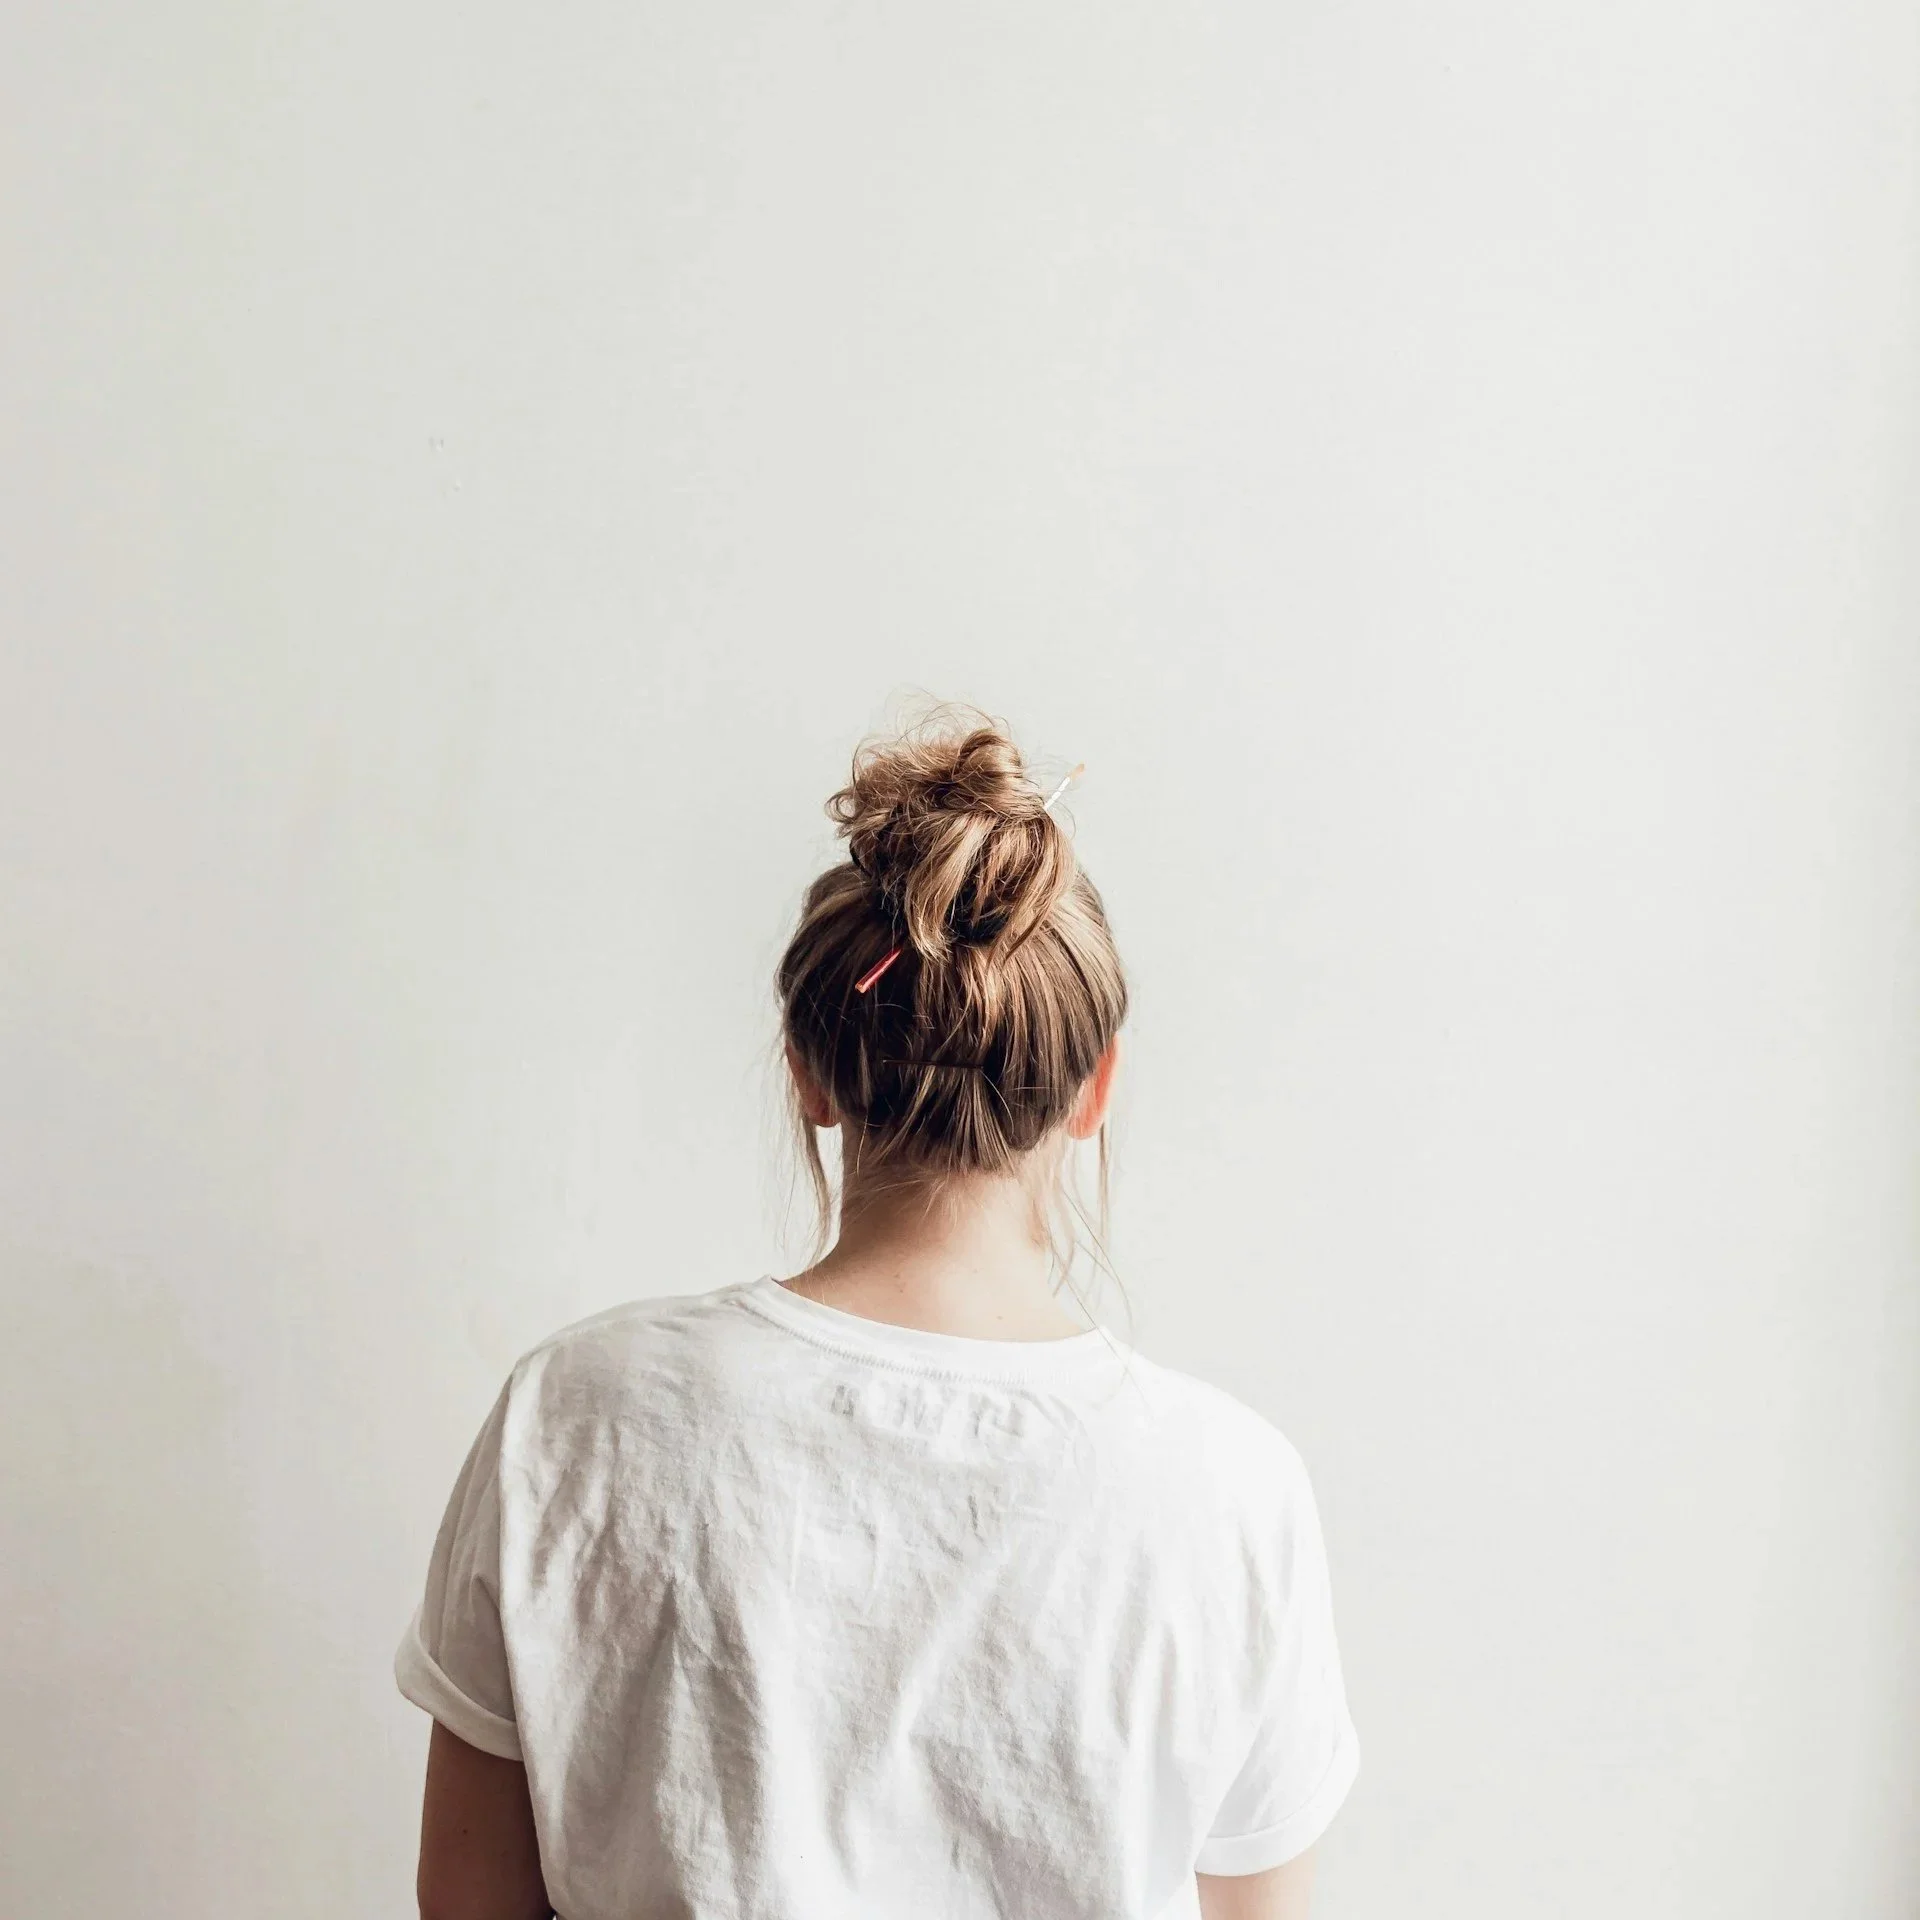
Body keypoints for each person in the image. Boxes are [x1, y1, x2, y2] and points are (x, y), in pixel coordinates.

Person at [396, 710, 1361, 1920]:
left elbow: (468, 1901)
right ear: (1094, 1086)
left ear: (807, 1066)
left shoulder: (575, 1412)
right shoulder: (1232, 1489)